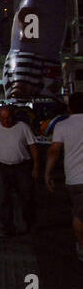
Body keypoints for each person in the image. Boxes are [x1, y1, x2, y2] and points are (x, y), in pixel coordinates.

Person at [0, 103, 39, 237]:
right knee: (2, 198)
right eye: (3, 119)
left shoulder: (22, 127)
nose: (6, 121)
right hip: (1, 166)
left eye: (8, 118)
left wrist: (36, 166)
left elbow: (33, 147)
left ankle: (29, 223)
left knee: (26, 196)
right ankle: (6, 226)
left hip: (21, 166)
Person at [44, 91, 83, 262]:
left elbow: (54, 151)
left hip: (75, 178)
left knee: (78, 215)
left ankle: (81, 247)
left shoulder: (63, 126)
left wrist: (47, 173)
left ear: (69, 107)